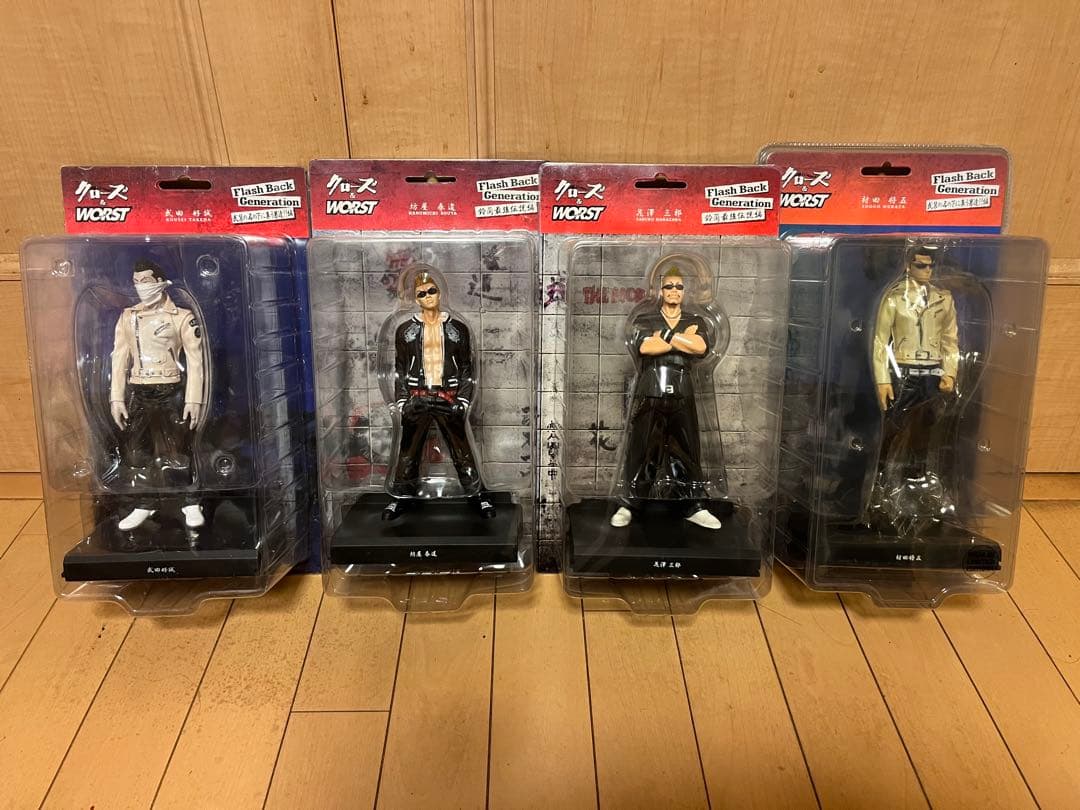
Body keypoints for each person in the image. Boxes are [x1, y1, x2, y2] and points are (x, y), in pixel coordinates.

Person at [610, 262, 722, 530]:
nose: (674, 290)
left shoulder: (695, 321)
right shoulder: (645, 319)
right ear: (660, 290)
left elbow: (700, 347)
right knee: (643, 447)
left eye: (678, 286)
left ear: (684, 291)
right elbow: (646, 347)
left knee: (686, 448)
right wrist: (681, 339)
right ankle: (631, 503)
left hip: (682, 390)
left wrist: (667, 337)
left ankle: (692, 505)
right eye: (669, 286)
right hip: (651, 389)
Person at [384, 266, 495, 521]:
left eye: (431, 291)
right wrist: (402, 402)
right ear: (416, 298)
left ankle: (477, 494)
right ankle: (401, 497)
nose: (428, 297)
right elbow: (399, 369)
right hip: (417, 396)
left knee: (462, 449)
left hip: (448, 396)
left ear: (440, 293)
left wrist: (463, 400)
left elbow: (467, 368)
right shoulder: (405, 330)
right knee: (408, 451)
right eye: (422, 293)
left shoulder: (457, 329)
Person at [109, 259, 206, 531]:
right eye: (136, 282)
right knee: (137, 448)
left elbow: (196, 361)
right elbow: (119, 358)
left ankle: (189, 500)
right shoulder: (128, 317)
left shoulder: (181, 317)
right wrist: (116, 398)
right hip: (139, 389)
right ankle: (144, 502)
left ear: (161, 283)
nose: (141, 287)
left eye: (146, 281)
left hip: (170, 388)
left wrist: (193, 399)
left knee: (179, 446)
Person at [870, 244, 960, 529]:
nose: (927, 270)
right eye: (921, 265)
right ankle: (878, 482)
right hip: (904, 372)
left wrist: (950, 372)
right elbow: (880, 342)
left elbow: (950, 341)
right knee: (893, 428)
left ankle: (917, 481)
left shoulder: (944, 299)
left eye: (930, 265)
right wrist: (883, 379)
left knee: (926, 431)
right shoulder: (894, 299)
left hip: (932, 373)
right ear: (908, 266)